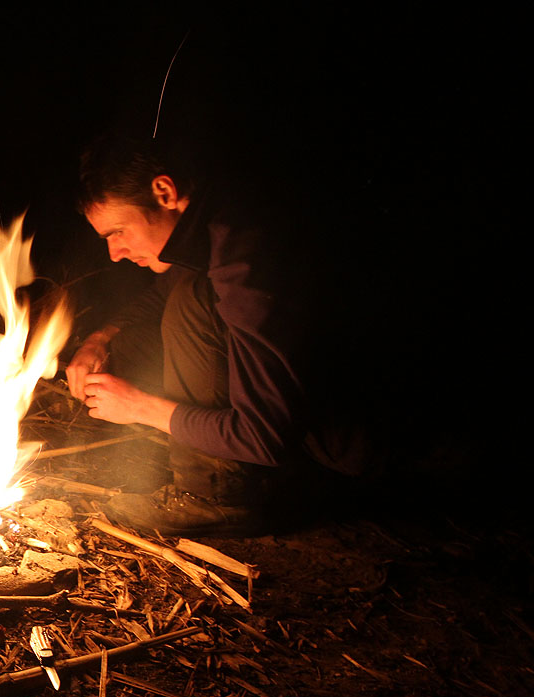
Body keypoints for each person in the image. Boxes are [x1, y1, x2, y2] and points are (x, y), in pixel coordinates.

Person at [65, 133, 372, 536]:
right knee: (133, 340)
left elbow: (263, 435)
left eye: (117, 232)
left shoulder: (246, 261)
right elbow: (163, 288)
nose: (114, 253)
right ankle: (268, 476)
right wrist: (101, 337)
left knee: (192, 298)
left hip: (361, 444)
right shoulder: (215, 222)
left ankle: (213, 497)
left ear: (164, 192)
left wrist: (140, 407)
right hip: (304, 415)